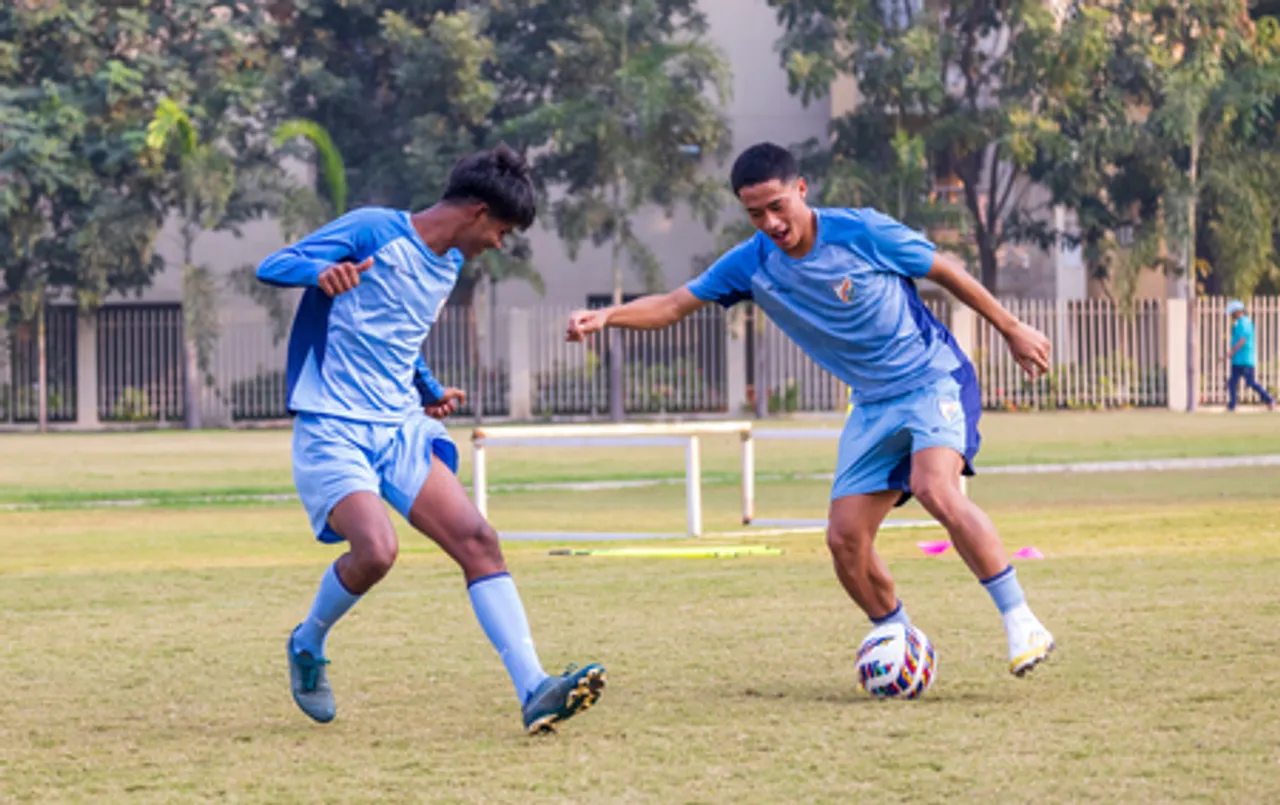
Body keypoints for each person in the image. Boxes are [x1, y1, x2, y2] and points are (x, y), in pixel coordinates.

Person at [566, 143, 1055, 676]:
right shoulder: (751, 262)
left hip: (931, 377)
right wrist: (607, 316)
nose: (771, 223)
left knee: (935, 486)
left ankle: (1021, 621)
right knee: (844, 539)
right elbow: (671, 306)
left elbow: (947, 271)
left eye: (778, 206)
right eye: (756, 214)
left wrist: (1011, 328)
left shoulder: (862, 231)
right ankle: (896, 636)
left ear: (802, 190)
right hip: (871, 403)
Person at [257, 145, 605, 734]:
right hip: (334, 425)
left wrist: (427, 386)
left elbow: (396, 332)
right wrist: (318, 271)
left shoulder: (446, 265)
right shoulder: (373, 229)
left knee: (478, 540)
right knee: (377, 551)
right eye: (500, 229)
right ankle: (308, 641)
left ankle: (534, 689)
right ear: (475, 210)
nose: (499, 243)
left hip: (398, 426)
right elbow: (273, 264)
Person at [1224, 299, 1275, 412]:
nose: (1231, 315)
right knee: (1232, 382)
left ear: (1237, 311)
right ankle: (1232, 406)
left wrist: (1230, 352)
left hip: (1246, 359)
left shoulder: (1245, 322)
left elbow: (1242, 340)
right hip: (1237, 360)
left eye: (1232, 312)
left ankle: (1269, 399)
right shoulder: (1238, 323)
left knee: (1250, 382)